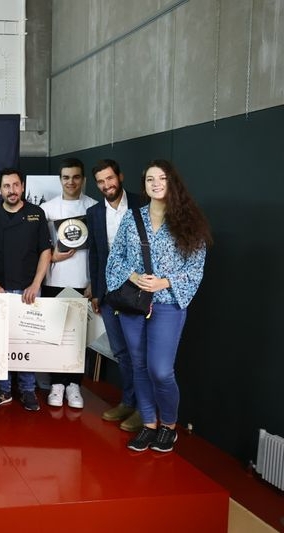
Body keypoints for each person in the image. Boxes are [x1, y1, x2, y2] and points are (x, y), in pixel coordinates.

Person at [106, 160, 211, 453]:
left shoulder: (188, 221)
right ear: (144, 185)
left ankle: (169, 426)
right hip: (134, 303)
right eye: (150, 179)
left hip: (168, 303)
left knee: (160, 370)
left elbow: (195, 268)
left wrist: (164, 283)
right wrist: (135, 276)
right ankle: (149, 424)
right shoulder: (131, 219)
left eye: (161, 178)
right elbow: (115, 259)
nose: (155, 183)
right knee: (138, 365)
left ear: (171, 182)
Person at [0, 168, 52, 412]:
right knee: (1, 341)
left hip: (30, 291)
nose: (12, 190)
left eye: (16, 185)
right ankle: (3, 388)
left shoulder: (36, 214)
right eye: (7, 186)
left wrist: (36, 284)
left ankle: (28, 390)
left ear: (22, 187)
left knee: (26, 340)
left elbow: (45, 252)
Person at [87, 159, 145, 432]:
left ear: (120, 177)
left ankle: (144, 410)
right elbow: (97, 254)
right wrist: (97, 293)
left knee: (138, 353)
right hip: (109, 292)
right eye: (100, 181)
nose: (106, 185)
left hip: (138, 291)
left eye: (110, 179)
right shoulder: (95, 211)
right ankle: (128, 401)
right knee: (121, 352)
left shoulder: (141, 204)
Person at [41, 158, 97, 409]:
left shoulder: (95, 208)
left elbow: (101, 250)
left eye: (76, 177)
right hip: (54, 280)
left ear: (83, 179)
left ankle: (74, 385)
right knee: (56, 335)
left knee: (78, 337)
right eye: (66, 177)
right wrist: (52, 255)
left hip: (84, 281)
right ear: (60, 180)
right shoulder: (47, 209)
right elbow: (40, 247)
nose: (71, 182)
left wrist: (94, 282)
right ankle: (57, 384)